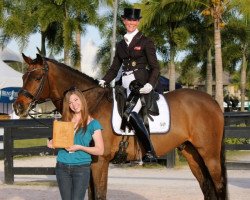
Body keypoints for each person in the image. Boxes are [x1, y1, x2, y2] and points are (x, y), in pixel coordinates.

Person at [98, 8, 160, 163]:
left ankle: (150, 151)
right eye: (128, 20)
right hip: (123, 85)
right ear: (124, 20)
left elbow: (155, 67)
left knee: (130, 113)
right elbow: (114, 68)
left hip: (140, 85)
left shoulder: (146, 41)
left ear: (138, 21)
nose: (131, 23)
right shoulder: (120, 45)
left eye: (134, 20)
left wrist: (150, 85)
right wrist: (103, 80)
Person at [47, 87, 104, 200]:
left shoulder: (93, 124)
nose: (74, 104)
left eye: (76, 100)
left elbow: (100, 150)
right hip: (62, 167)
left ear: (82, 100)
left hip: (81, 168)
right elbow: (59, 142)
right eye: (70, 102)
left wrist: (80, 147)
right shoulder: (64, 121)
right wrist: (53, 143)